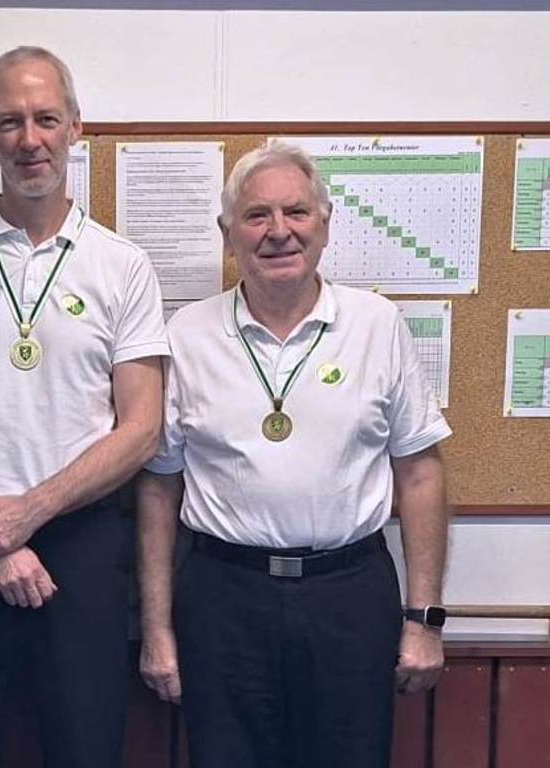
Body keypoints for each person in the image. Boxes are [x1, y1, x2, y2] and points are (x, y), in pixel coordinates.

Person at [137, 141, 451, 768]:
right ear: (228, 234)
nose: (278, 231)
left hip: (349, 597)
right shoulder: (186, 335)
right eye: (257, 216)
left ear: (325, 225)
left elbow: (420, 474)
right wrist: (157, 628)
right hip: (223, 599)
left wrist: (424, 620)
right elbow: (158, 487)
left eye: (296, 212)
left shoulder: (377, 325)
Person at [0, 46, 169, 768]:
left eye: (46, 118)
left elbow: (143, 428)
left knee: (86, 748)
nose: (29, 139)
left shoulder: (123, 265)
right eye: (10, 121)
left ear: (76, 126)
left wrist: (28, 514)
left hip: (83, 546)